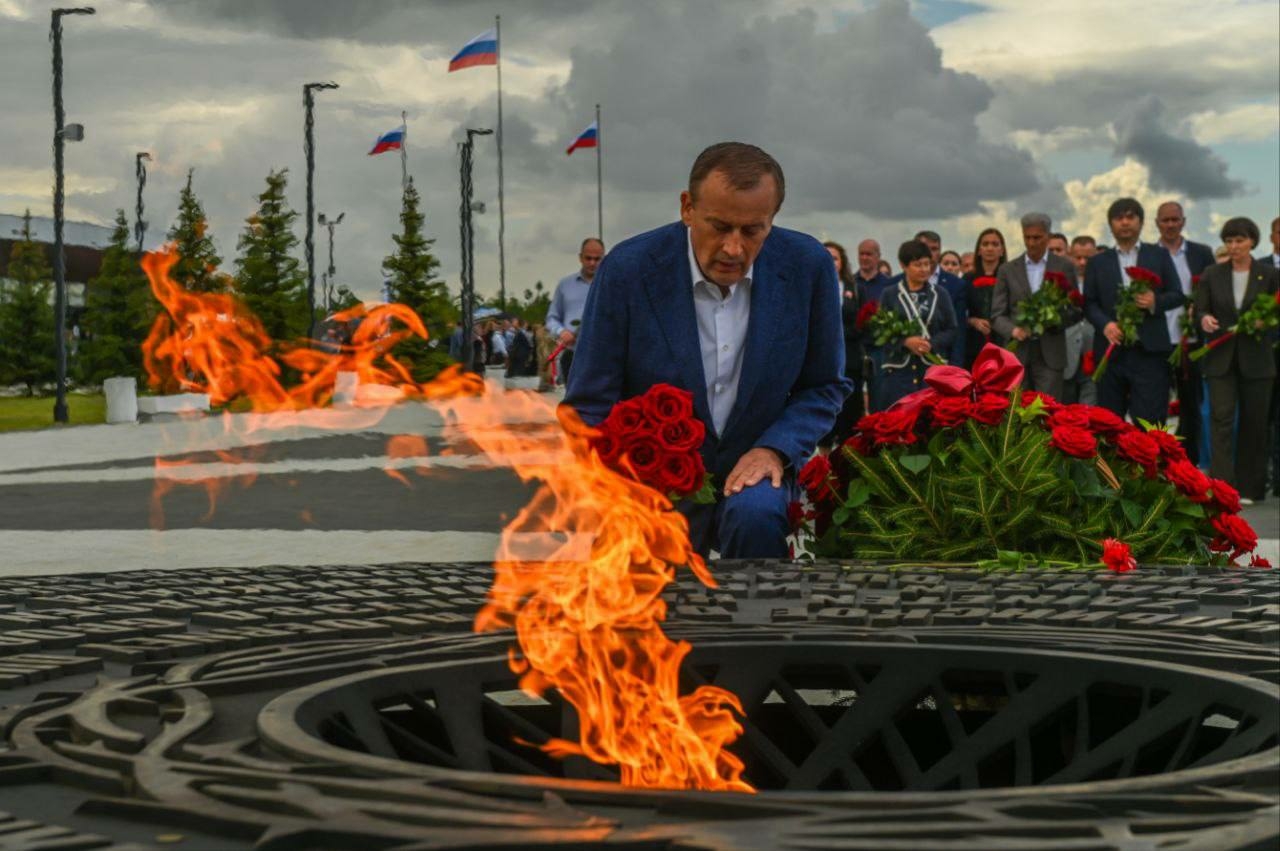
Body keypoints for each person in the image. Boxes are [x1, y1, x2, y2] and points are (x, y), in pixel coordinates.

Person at [565, 142, 849, 559]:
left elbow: (824, 385)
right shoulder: (628, 270)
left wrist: (775, 448)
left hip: (755, 466)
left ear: (773, 219)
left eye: (753, 230)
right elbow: (589, 402)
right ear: (687, 208)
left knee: (756, 517)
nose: (734, 248)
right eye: (719, 226)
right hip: (655, 479)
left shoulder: (808, 267)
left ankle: (754, 624)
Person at [1194, 217, 1279, 502]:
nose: (1234, 247)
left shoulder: (1269, 275)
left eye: (1239, 241)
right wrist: (1204, 319)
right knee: (1221, 419)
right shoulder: (1211, 273)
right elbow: (1200, 310)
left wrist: (1264, 323)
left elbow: (1276, 315)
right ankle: (1221, 487)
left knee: (1255, 423)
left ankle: (1251, 488)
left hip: (1257, 360)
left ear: (1252, 241)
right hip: (1220, 358)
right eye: (1229, 241)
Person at [1083, 197, 1184, 425]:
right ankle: (1111, 463)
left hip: (1149, 353)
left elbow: (1177, 294)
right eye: (1119, 218)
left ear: (1141, 222)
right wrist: (1106, 325)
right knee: (1109, 424)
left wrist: (1154, 301)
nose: (1125, 223)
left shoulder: (1158, 255)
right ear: (1111, 225)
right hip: (1111, 352)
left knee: (1149, 423)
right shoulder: (1098, 262)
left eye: (1131, 217)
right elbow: (1088, 303)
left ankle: (1147, 463)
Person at [991, 213, 1080, 399]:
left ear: (1048, 236)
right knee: (1015, 412)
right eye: (1027, 237)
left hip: (1051, 351)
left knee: (1047, 412)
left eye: (1037, 237)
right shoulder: (1007, 270)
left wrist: (1053, 320)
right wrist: (1013, 330)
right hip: (1017, 353)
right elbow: (997, 315)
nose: (1031, 243)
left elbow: (1076, 309)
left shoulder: (1064, 267)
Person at [1156, 200, 1216, 465]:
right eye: (1165, 220)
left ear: (1183, 222)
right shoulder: (1149, 253)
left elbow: (1214, 289)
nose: (1170, 225)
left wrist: (1199, 309)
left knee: (1191, 402)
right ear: (1157, 223)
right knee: (1157, 402)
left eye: (1175, 220)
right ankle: (1159, 460)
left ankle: (1190, 462)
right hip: (1159, 338)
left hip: (1192, 340)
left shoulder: (1201, 253)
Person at [877, 240, 957, 407]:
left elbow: (951, 329)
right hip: (898, 372)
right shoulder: (890, 294)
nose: (924, 269)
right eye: (917, 265)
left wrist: (931, 343)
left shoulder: (940, 294)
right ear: (903, 266)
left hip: (931, 371)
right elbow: (880, 329)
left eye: (927, 264)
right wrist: (905, 342)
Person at [546, 237, 605, 385]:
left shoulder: (611, 285)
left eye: (597, 259)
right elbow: (551, 318)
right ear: (580, 257)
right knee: (572, 405)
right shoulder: (565, 285)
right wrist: (561, 332)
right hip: (573, 355)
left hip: (603, 356)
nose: (592, 263)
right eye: (588, 258)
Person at [825, 240, 865, 447]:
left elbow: (862, 322)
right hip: (823, 355)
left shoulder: (853, 288)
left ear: (842, 261)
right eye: (827, 257)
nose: (831, 262)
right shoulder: (813, 285)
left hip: (850, 356)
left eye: (835, 258)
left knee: (849, 408)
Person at [914, 230, 967, 366]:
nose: (930, 253)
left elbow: (958, 330)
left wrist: (955, 366)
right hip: (906, 363)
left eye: (934, 249)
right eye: (925, 248)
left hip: (941, 359)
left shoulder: (955, 284)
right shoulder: (897, 284)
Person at [963, 227, 1007, 368]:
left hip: (1003, 340)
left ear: (1002, 250)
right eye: (985, 244)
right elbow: (959, 311)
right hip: (973, 342)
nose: (990, 248)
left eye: (995, 244)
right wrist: (972, 321)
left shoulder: (1010, 277)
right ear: (979, 250)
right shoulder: (968, 278)